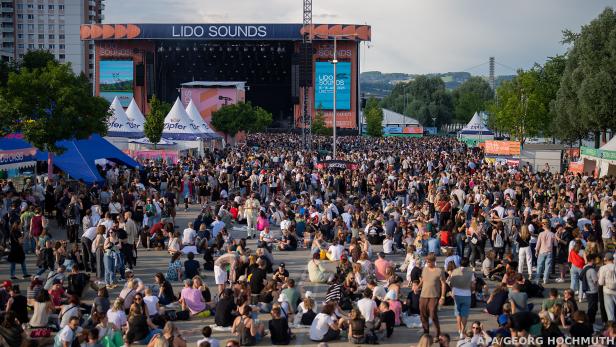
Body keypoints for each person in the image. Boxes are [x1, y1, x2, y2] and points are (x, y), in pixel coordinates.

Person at [419, 252, 446, 338]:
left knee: (433, 314)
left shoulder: (439, 271)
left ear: (434, 261)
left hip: (434, 296)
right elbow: (423, 280)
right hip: (423, 295)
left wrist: (442, 296)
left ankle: (437, 334)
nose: (428, 263)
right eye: (427, 262)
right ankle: (426, 333)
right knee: (423, 315)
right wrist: (418, 287)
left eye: (429, 262)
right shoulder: (425, 269)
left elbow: (444, 284)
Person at [449, 257, 475, 339]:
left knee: (458, 314)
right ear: (467, 264)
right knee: (465, 315)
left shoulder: (455, 271)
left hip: (457, 295)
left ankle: (459, 329)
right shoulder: (471, 272)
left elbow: (451, 283)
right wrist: (472, 291)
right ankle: (462, 331)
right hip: (467, 295)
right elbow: (473, 285)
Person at [598, 252, 616, 322]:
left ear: (606, 259)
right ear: (613, 259)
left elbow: (601, 282)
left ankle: (612, 329)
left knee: (610, 312)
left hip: (607, 291)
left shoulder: (603, 268)